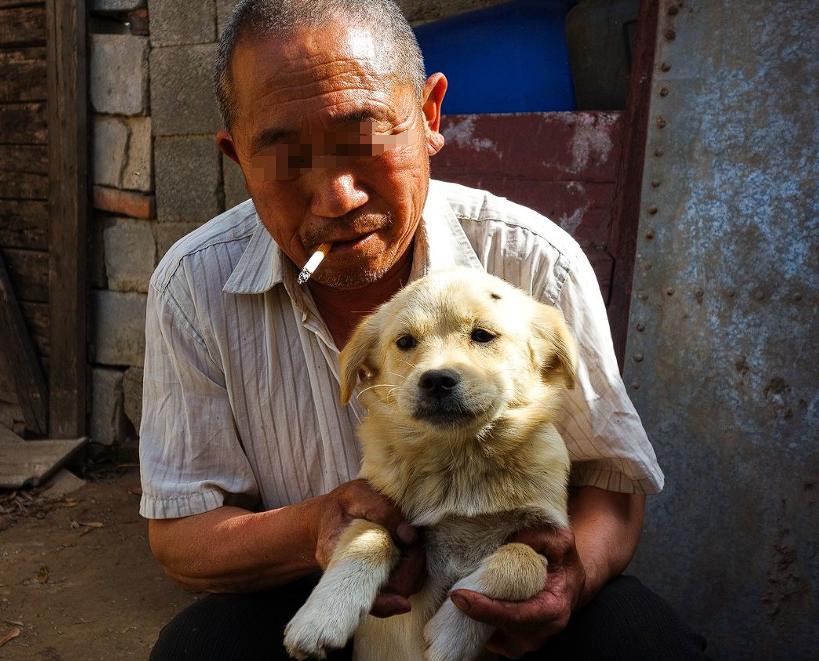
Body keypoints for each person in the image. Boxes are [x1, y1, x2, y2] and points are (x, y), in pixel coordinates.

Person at [140, 1, 707, 658]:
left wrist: (564, 582)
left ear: (430, 115)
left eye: (365, 136)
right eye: (285, 157)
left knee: (643, 640)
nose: (337, 196)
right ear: (236, 155)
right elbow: (182, 538)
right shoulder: (194, 284)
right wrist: (318, 527)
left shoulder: (532, 263)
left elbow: (611, 483)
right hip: (332, 592)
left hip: (501, 602)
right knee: (199, 646)